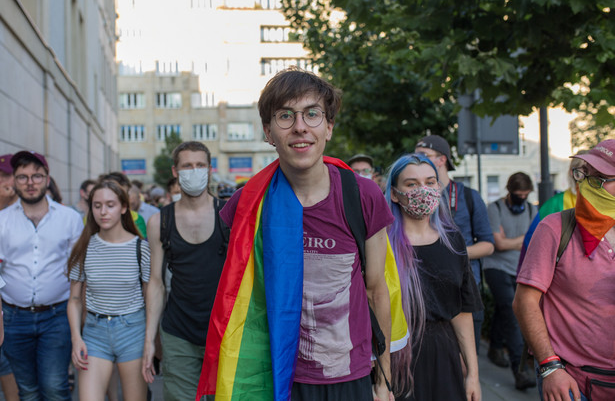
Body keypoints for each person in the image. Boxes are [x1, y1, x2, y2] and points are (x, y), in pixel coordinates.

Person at [197, 68, 394, 401]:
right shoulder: (248, 205)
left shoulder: (362, 196)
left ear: (328, 127)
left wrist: (383, 380)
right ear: (268, 132)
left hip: (349, 374)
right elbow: (240, 297)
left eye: (312, 114)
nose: (300, 126)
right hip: (275, 374)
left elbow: (377, 290)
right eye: (285, 116)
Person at [513, 139, 615, 401]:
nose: (590, 185)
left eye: (603, 178)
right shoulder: (555, 227)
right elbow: (524, 300)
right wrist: (550, 366)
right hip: (570, 379)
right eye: (585, 175)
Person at [384, 153, 482, 401]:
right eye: (412, 184)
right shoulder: (381, 244)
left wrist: (472, 374)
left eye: (430, 182)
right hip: (396, 358)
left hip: (444, 356)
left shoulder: (453, 241)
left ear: (439, 187)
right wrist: (380, 380)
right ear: (395, 193)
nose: (423, 190)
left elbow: (462, 311)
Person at [142, 141, 229, 401]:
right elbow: (156, 282)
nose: (194, 171)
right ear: (175, 172)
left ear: (210, 170)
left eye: (200, 165)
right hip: (178, 332)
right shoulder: (160, 221)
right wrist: (150, 339)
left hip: (224, 331)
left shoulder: (228, 214)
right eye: (187, 166)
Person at [0, 151, 83, 399]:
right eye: (23, 177)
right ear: (14, 181)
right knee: (27, 390)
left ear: (47, 179)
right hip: (14, 318)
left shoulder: (69, 219)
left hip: (56, 317)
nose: (30, 182)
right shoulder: (2, 221)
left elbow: (78, 271)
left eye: (37, 176)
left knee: (55, 387)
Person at [66, 180, 150, 400]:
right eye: (97, 205)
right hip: (94, 333)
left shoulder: (141, 248)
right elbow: (74, 300)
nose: (103, 212)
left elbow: (151, 298)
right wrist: (76, 338)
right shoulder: (84, 247)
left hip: (133, 330)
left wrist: (151, 342)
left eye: (110, 205)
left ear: (123, 208)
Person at [415, 135, 494, 354]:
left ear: (441, 160)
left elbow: (488, 245)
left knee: (466, 364)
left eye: (423, 155)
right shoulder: (414, 195)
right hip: (424, 291)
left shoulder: (469, 197)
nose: (417, 159)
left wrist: (449, 254)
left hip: (463, 292)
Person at [482, 172, 537, 390]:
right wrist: (521, 241)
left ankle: (495, 348)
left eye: (525, 194)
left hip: (520, 268)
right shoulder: (494, 209)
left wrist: (511, 241)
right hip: (495, 267)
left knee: (503, 309)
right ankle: (520, 370)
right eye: (518, 194)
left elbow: (532, 241)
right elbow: (499, 244)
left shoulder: (532, 209)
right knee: (511, 310)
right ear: (509, 191)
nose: (521, 198)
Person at [517, 150, 589, 269]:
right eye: (584, 171)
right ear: (573, 173)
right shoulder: (555, 204)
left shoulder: (607, 203)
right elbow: (532, 242)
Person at [0, 155, 20, 401]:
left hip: (19, 309)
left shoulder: (28, 213)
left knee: (10, 369)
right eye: (3, 175)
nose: (6, 181)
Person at [98, 172, 147, 238]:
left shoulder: (136, 219)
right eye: (114, 193)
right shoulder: (89, 220)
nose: (121, 199)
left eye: (124, 194)